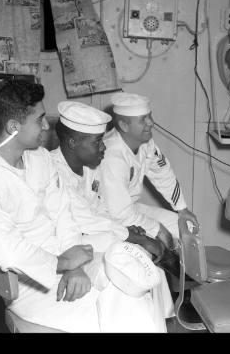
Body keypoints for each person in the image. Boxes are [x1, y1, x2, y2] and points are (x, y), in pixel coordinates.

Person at [0, 80, 168, 332]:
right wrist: (62, 263)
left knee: (132, 279)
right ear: (13, 127)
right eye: (39, 119)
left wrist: (73, 265)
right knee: (126, 304)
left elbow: (63, 214)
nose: (46, 125)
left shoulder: (38, 157)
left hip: (69, 262)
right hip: (31, 287)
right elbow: (10, 252)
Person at [49, 100, 174, 323]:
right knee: (130, 257)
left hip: (88, 238)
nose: (103, 147)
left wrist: (128, 230)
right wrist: (134, 236)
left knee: (141, 256)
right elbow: (84, 220)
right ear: (72, 142)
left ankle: (162, 318)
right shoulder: (53, 170)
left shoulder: (89, 168)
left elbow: (101, 210)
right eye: (97, 141)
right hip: (63, 248)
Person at [99, 92, 199, 250]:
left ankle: (187, 274)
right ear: (125, 126)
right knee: (160, 241)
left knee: (182, 227)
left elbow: (162, 173)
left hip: (128, 208)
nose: (151, 122)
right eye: (143, 119)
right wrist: (158, 230)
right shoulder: (112, 157)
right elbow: (120, 214)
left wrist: (182, 208)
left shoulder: (145, 142)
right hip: (108, 217)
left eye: (150, 116)